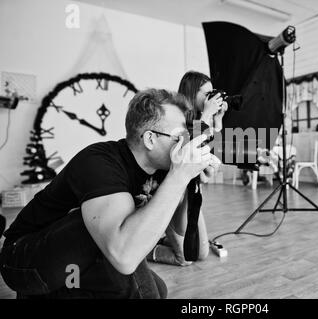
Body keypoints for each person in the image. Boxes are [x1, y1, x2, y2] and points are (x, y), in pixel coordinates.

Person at [0, 88, 221, 298]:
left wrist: (187, 182)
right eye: (179, 137)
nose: (184, 144)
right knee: (141, 291)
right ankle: (39, 293)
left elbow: (180, 235)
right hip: (24, 259)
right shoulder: (99, 162)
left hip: (78, 257)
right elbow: (124, 256)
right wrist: (178, 177)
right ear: (150, 139)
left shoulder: (165, 169)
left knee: (158, 289)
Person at [147, 71, 227, 267]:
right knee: (184, 259)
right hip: (172, 195)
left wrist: (217, 120)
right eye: (207, 93)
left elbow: (209, 150)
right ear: (193, 93)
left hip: (191, 193)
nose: (212, 97)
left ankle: (166, 239)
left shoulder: (203, 120)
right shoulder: (178, 118)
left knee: (201, 253)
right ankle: (147, 250)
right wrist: (207, 114)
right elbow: (189, 147)